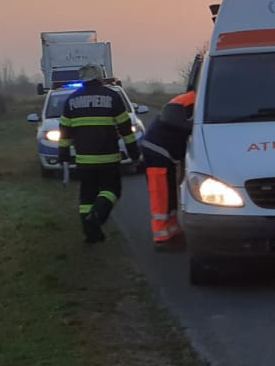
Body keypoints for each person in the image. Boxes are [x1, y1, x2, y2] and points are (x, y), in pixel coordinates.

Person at [57, 63, 141, 244]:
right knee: (112, 190)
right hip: (109, 158)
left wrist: (63, 156)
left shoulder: (71, 100)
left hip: (83, 160)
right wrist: (134, 154)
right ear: (100, 77)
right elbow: (126, 130)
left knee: (87, 197)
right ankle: (97, 215)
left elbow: (64, 132)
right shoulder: (112, 97)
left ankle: (91, 234)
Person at [139, 89, 196, 246]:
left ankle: (172, 229)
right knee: (160, 192)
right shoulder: (190, 100)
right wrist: (193, 126)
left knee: (170, 191)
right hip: (157, 150)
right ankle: (161, 236)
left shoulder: (192, 100)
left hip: (165, 152)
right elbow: (172, 119)